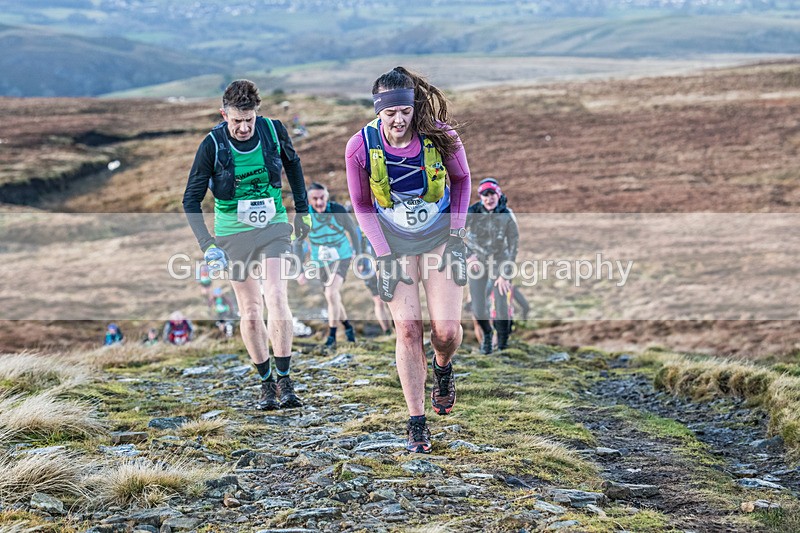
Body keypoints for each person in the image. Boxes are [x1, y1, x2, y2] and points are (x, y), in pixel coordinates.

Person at [345, 66, 471, 453]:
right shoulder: (360, 146)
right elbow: (362, 204)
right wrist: (383, 256)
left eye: (405, 111)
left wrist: (457, 236)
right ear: (378, 111)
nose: (398, 120)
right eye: (390, 114)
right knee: (408, 331)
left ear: (413, 106)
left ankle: (443, 368)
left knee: (445, 332)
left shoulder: (440, 135)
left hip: (437, 237)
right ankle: (416, 421)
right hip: (393, 244)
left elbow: (463, 180)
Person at [182, 79, 311, 411]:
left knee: (277, 295)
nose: (242, 127)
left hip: (274, 227)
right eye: (236, 120)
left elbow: (294, 167)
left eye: (248, 120)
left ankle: (285, 379)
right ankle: (265, 382)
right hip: (232, 234)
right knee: (251, 309)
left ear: (257, 113)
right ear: (223, 114)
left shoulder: (272, 131)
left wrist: (303, 212)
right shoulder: (211, 145)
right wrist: (207, 245)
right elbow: (190, 200)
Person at [295, 182, 362, 348]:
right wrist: (299, 269)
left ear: (327, 196)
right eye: (315, 199)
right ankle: (347, 327)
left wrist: (359, 255)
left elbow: (354, 231)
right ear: (309, 200)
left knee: (331, 293)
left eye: (322, 197)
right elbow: (297, 243)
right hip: (321, 260)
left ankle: (331, 336)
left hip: (342, 256)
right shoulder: (304, 215)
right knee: (332, 296)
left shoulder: (337, 210)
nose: (319, 202)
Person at [465, 177, 519, 354]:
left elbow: (513, 246)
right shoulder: (472, 212)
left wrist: (505, 274)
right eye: (485, 195)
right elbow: (454, 235)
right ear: (480, 196)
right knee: (477, 307)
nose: (489, 198)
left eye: (492, 194)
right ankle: (487, 337)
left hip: (500, 263)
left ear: (499, 194)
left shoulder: (507, 215)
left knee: (501, 305)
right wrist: (469, 256)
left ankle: (503, 345)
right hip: (477, 264)